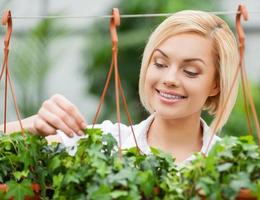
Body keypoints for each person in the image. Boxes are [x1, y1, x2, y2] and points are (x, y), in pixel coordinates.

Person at [0, 10, 239, 165]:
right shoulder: (103, 143)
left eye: (190, 71)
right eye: (160, 63)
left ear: (216, 85)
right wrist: (27, 126)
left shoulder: (231, 163)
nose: (170, 78)